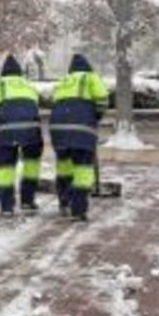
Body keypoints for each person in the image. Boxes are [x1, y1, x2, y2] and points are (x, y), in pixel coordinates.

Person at [0, 54, 44, 216]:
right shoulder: (28, 85)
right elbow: (35, 107)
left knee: (5, 169)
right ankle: (27, 201)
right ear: (19, 73)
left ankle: (6, 206)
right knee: (31, 166)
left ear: (3, 72)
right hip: (31, 132)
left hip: (7, 133)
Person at [49, 54, 109, 221]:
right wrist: (95, 116)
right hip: (82, 128)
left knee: (64, 168)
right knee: (83, 169)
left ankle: (64, 202)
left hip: (58, 130)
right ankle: (78, 210)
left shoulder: (64, 81)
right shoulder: (90, 77)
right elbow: (103, 99)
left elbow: (55, 102)